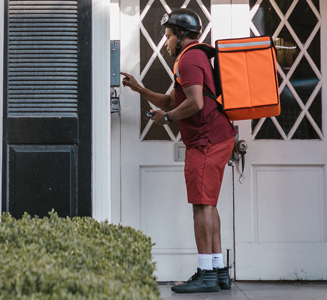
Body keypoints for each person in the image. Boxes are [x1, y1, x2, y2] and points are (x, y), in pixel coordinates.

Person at [119, 8, 237, 294]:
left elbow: (194, 103)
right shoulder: (192, 58)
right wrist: (140, 89)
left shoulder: (189, 60)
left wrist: (167, 118)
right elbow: (172, 100)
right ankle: (219, 271)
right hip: (215, 138)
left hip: (206, 141)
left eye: (169, 34)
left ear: (182, 35)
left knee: (201, 206)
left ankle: (206, 273)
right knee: (208, 204)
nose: (165, 40)